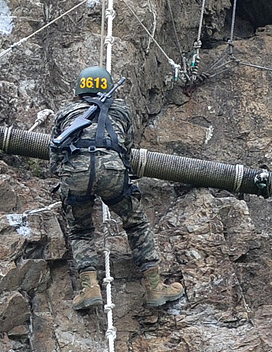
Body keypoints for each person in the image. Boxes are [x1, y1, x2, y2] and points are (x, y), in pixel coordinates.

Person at [50, 66, 185, 312]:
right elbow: (127, 149)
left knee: (80, 230)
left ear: (80, 89)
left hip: (75, 173)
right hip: (112, 171)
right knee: (136, 223)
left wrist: (62, 176)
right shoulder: (121, 110)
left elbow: (54, 152)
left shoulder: (66, 113)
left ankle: (89, 288)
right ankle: (155, 287)